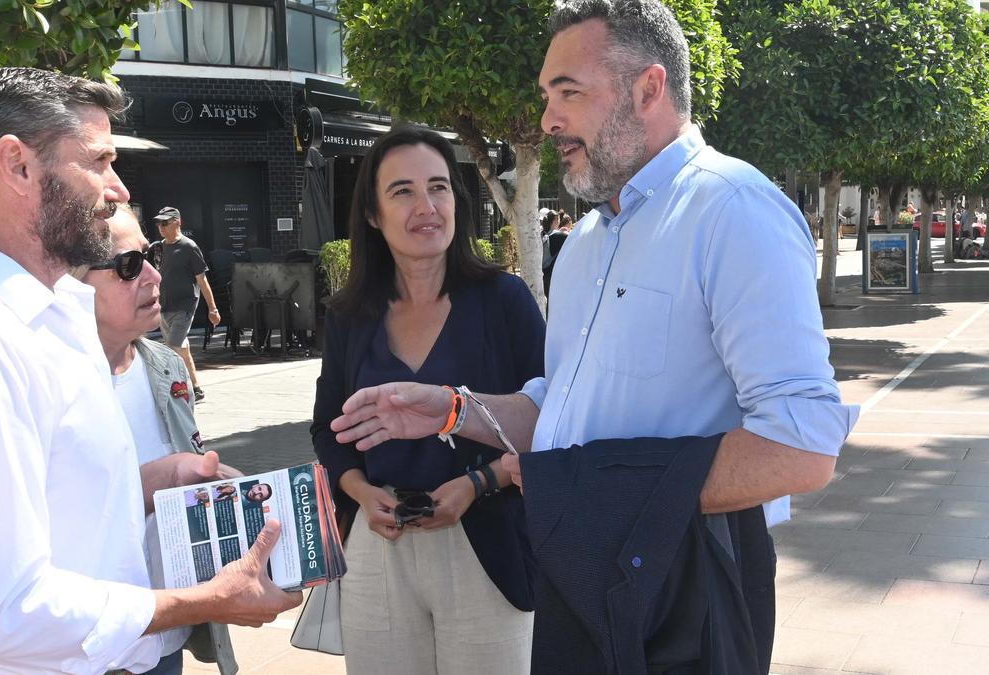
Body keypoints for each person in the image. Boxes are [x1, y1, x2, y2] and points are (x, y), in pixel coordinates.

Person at [330, 0, 857, 670]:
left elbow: (803, 443)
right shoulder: (582, 244)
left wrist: (606, 492)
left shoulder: (733, 210)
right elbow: (564, 413)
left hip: (686, 580)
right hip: (581, 571)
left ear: (648, 89)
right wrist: (454, 408)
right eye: (547, 95)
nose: (548, 119)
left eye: (569, 93)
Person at [0, 67, 300, 674]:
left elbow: (55, 511)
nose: (119, 189)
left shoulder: (56, 316)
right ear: (18, 166)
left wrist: (152, 480)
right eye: (99, 162)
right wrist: (203, 602)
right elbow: (7, 612)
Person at [311, 126, 544, 674]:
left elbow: (552, 420)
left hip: (488, 543)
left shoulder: (504, 301)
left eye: (439, 188)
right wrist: (361, 491)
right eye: (403, 192)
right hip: (379, 545)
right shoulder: (350, 315)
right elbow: (329, 430)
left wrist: (478, 483)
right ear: (372, 214)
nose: (426, 206)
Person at [81, 205, 244, 675]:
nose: (153, 274)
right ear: (69, 281)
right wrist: (162, 478)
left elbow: (187, 466)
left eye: (148, 256)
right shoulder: (47, 383)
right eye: (128, 265)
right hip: (88, 642)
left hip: (163, 633)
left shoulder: (165, 365)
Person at [153, 206, 220, 402]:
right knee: (182, 349)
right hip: (165, 305)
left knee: (172, 347)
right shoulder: (158, 248)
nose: (161, 227)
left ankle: (174, 390)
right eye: (159, 223)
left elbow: (202, 280)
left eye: (165, 223)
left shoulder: (189, 247)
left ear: (177, 222)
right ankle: (197, 388)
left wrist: (213, 308)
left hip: (185, 305)